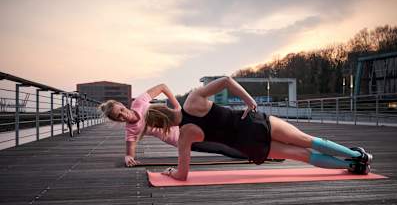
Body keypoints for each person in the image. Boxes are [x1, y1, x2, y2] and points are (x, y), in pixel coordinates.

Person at [143, 76, 373, 181]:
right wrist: (249, 101)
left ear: (161, 126)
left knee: (303, 155)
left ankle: (352, 165)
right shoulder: (193, 99)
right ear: (163, 107)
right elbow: (225, 80)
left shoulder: (184, 136)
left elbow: (183, 175)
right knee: (308, 140)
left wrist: (171, 172)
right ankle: (358, 155)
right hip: (253, 123)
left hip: (249, 146)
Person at [99, 83, 250, 167]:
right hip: (182, 141)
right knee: (221, 147)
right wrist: (128, 158)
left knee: (228, 132)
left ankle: (263, 144)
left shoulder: (139, 102)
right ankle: (258, 154)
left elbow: (163, 87)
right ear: (117, 120)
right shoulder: (131, 130)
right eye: (118, 117)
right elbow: (130, 150)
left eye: (121, 110)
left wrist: (177, 104)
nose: (123, 115)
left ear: (121, 104)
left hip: (187, 122)